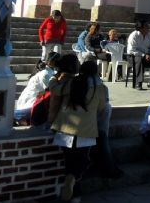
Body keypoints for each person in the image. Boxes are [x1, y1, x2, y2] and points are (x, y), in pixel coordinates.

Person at [48, 60, 107, 201]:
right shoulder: (100, 88)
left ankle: (72, 187)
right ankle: (73, 181)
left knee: (70, 160)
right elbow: (101, 108)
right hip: (86, 131)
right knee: (82, 161)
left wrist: (53, 78)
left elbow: (55, 90)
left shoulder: (72, 83)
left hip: (65, 128)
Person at [127, 21, 150, 90]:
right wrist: (144, 55)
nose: (148, 28)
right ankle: (138, 83)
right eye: (146, 26)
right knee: (140, 59)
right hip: (133, 56)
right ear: (141, 28)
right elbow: (132, 50)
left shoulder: (149, 35)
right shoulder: (134, 35)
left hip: (147, 55)